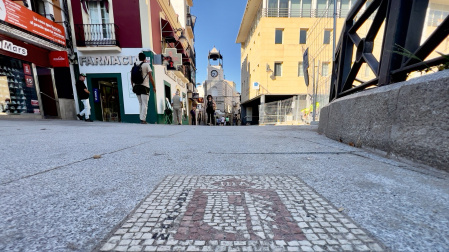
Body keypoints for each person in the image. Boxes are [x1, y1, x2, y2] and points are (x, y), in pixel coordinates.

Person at [132, 52, 156, 124]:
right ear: (145, 58)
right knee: (145, 104)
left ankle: (141, 118)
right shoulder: (146, 65)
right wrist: (154, 86)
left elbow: (131, 77)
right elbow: (150, 77)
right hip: (144, 86)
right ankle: (143, 119)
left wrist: (132, 85)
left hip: (136, 86)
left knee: (140, 103)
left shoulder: (135, 65)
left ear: (139, 58)